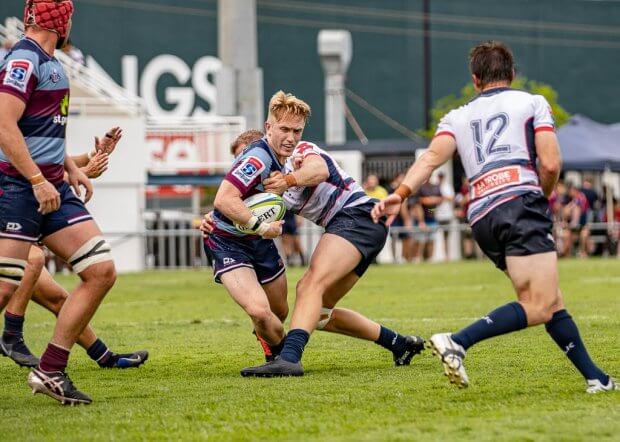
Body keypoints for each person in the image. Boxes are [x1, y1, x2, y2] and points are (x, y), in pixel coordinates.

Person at [372, 40, 616, 393]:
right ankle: (458, 341)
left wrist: (399, 194)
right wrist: (541, 196)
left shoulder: (457, 117)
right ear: (512, 74)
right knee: (540, 303)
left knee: (549, 299)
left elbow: (429, 159)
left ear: (475, 80)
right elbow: (550, 162)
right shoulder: (532, 103)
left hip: (483, 216)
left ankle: (597, 378)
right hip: (520, 203)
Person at [0, 1, 119, 405]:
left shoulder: (53, 62)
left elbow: (43, 128)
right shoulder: (23, 59)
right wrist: (36, 179)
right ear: (63, 20)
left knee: (101, 270)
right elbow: (3, 123)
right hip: (20, 190)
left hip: (54, 190)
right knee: (3, 288)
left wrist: (70, 168)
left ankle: (50, 370)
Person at [235, 131, 424, 378]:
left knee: (309, 286)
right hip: (361, 228)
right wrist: (210, 221)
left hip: (357, 216)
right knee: (320, 314)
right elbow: (233, 207)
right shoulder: (262, 187)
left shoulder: (296, 153)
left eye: (244, 155)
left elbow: (319, 170)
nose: (241, 165)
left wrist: (289, 180)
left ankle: (289, 359)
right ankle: (400, 344)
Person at [1, 129, 148, 370]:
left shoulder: (27, 127)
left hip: (18, 207)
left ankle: (105, 357)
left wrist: (92, 155)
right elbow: (26, 176)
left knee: (58, 297)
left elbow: (46, 162)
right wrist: (79, 174)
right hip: (12, 210)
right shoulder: (11, 117)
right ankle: (12, 336)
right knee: (33, 260)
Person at [205, 91, 303, 368]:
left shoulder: (283, 155)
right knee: (260, 312)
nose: (291, 137)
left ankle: (277, 355)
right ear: (269, 127)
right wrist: (261, 226)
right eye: (284, 129)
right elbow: (224, 199)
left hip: (259, 241)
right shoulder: (259, 157)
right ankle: (284, 358)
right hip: (229, 241)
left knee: (279, 312)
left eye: (297, 131)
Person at [434, 172, 455, 261]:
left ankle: (447, 256)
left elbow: (451, 198)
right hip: (436, 212)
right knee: (438, 236)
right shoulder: (435, 187)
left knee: (446, 237)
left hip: (447, 213)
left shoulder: (447, 186)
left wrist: (442, 198)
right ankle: (440, 256)